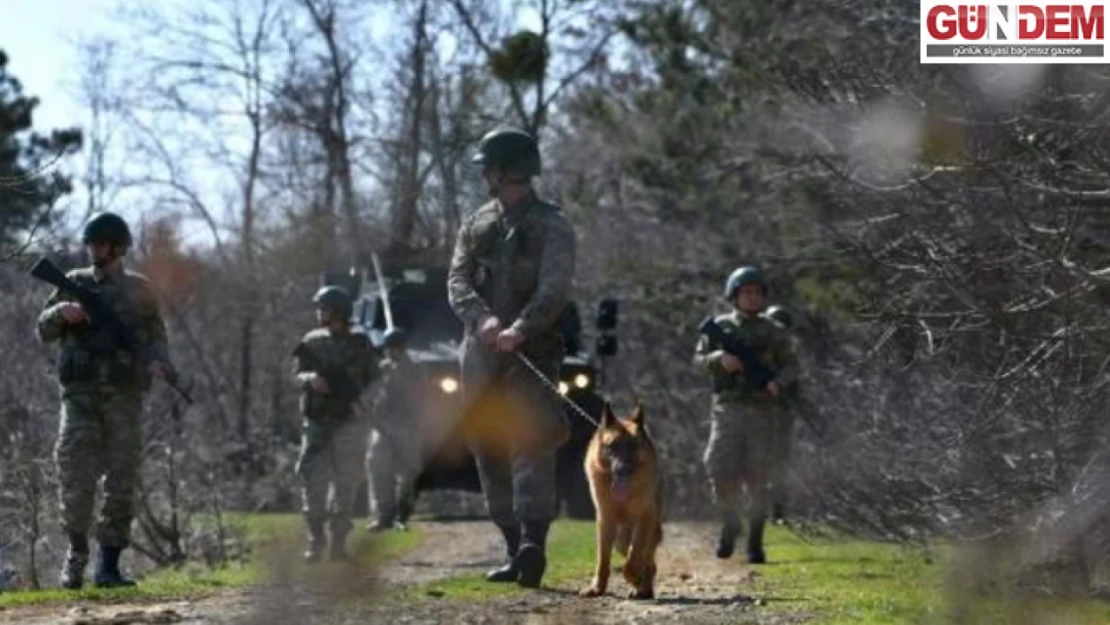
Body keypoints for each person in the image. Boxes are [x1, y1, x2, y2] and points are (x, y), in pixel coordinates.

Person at [446, 125, 576, 589]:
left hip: (533, 353)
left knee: (532, 441)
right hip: (480, 355)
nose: (485, 176)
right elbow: (457, 281)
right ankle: (510, 545)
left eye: (489, 168)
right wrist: (482, 321)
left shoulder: (553, 225)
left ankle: (533, 546)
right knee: (487, 446)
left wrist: (521, 328)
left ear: (503, 171)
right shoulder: (476, 224)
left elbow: (554, 289)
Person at [36, 211, 174, 589]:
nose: (93, 250)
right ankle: (76, 556)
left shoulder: (140, 290)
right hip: (79, 399)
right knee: (75, 478)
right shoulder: (73, 283)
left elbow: (157, 335)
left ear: (117, 248)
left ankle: (109, 566)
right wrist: (60, 312)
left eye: (100, 244)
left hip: (125, 398)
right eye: (91, 243)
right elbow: (42, 329)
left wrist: (160, 363)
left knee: (121, 481)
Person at [693, 266, 798, 564]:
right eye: (745, 292)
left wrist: (779, 382)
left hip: (763, 411)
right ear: (734, 296)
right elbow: (698, 360)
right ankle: (729, 521)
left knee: (758, 477)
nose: (751, 298)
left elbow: (792, 365)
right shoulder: (720, 326)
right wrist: (719, 359)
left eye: (756, 292)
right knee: (717, 465)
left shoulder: (775, 331)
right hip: (727, 408)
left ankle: (755, 540)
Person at [292, 285, 379, 563]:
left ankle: (339, 543)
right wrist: (310, 380)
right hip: (317, 422)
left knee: (347, 483)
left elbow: (375, 381)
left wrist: (364, 402)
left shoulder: (360, 344)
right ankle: (315, 539)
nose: (320, 313)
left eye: (325, 309)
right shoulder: (311, 341)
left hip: (350, 424)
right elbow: (295, 374)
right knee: (312, 481)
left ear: (339, 312)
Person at [366, 327, 426, 532]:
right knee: (379, 471)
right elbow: (371, 394)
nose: (392, 351)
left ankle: (402, 515)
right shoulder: (381, 369)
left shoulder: (414, 370)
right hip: (382, 427)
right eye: (389, 348)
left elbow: (420, 399)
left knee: (409, 474)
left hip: (407, 427)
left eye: (396, 348)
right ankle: (384, 517)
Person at [763, 304, 798, 524]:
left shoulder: (787, 353)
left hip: (781, 413)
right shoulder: (760, 350)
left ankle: (778, 510)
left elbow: (793, 378)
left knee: (779, 463)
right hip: (757, 412)